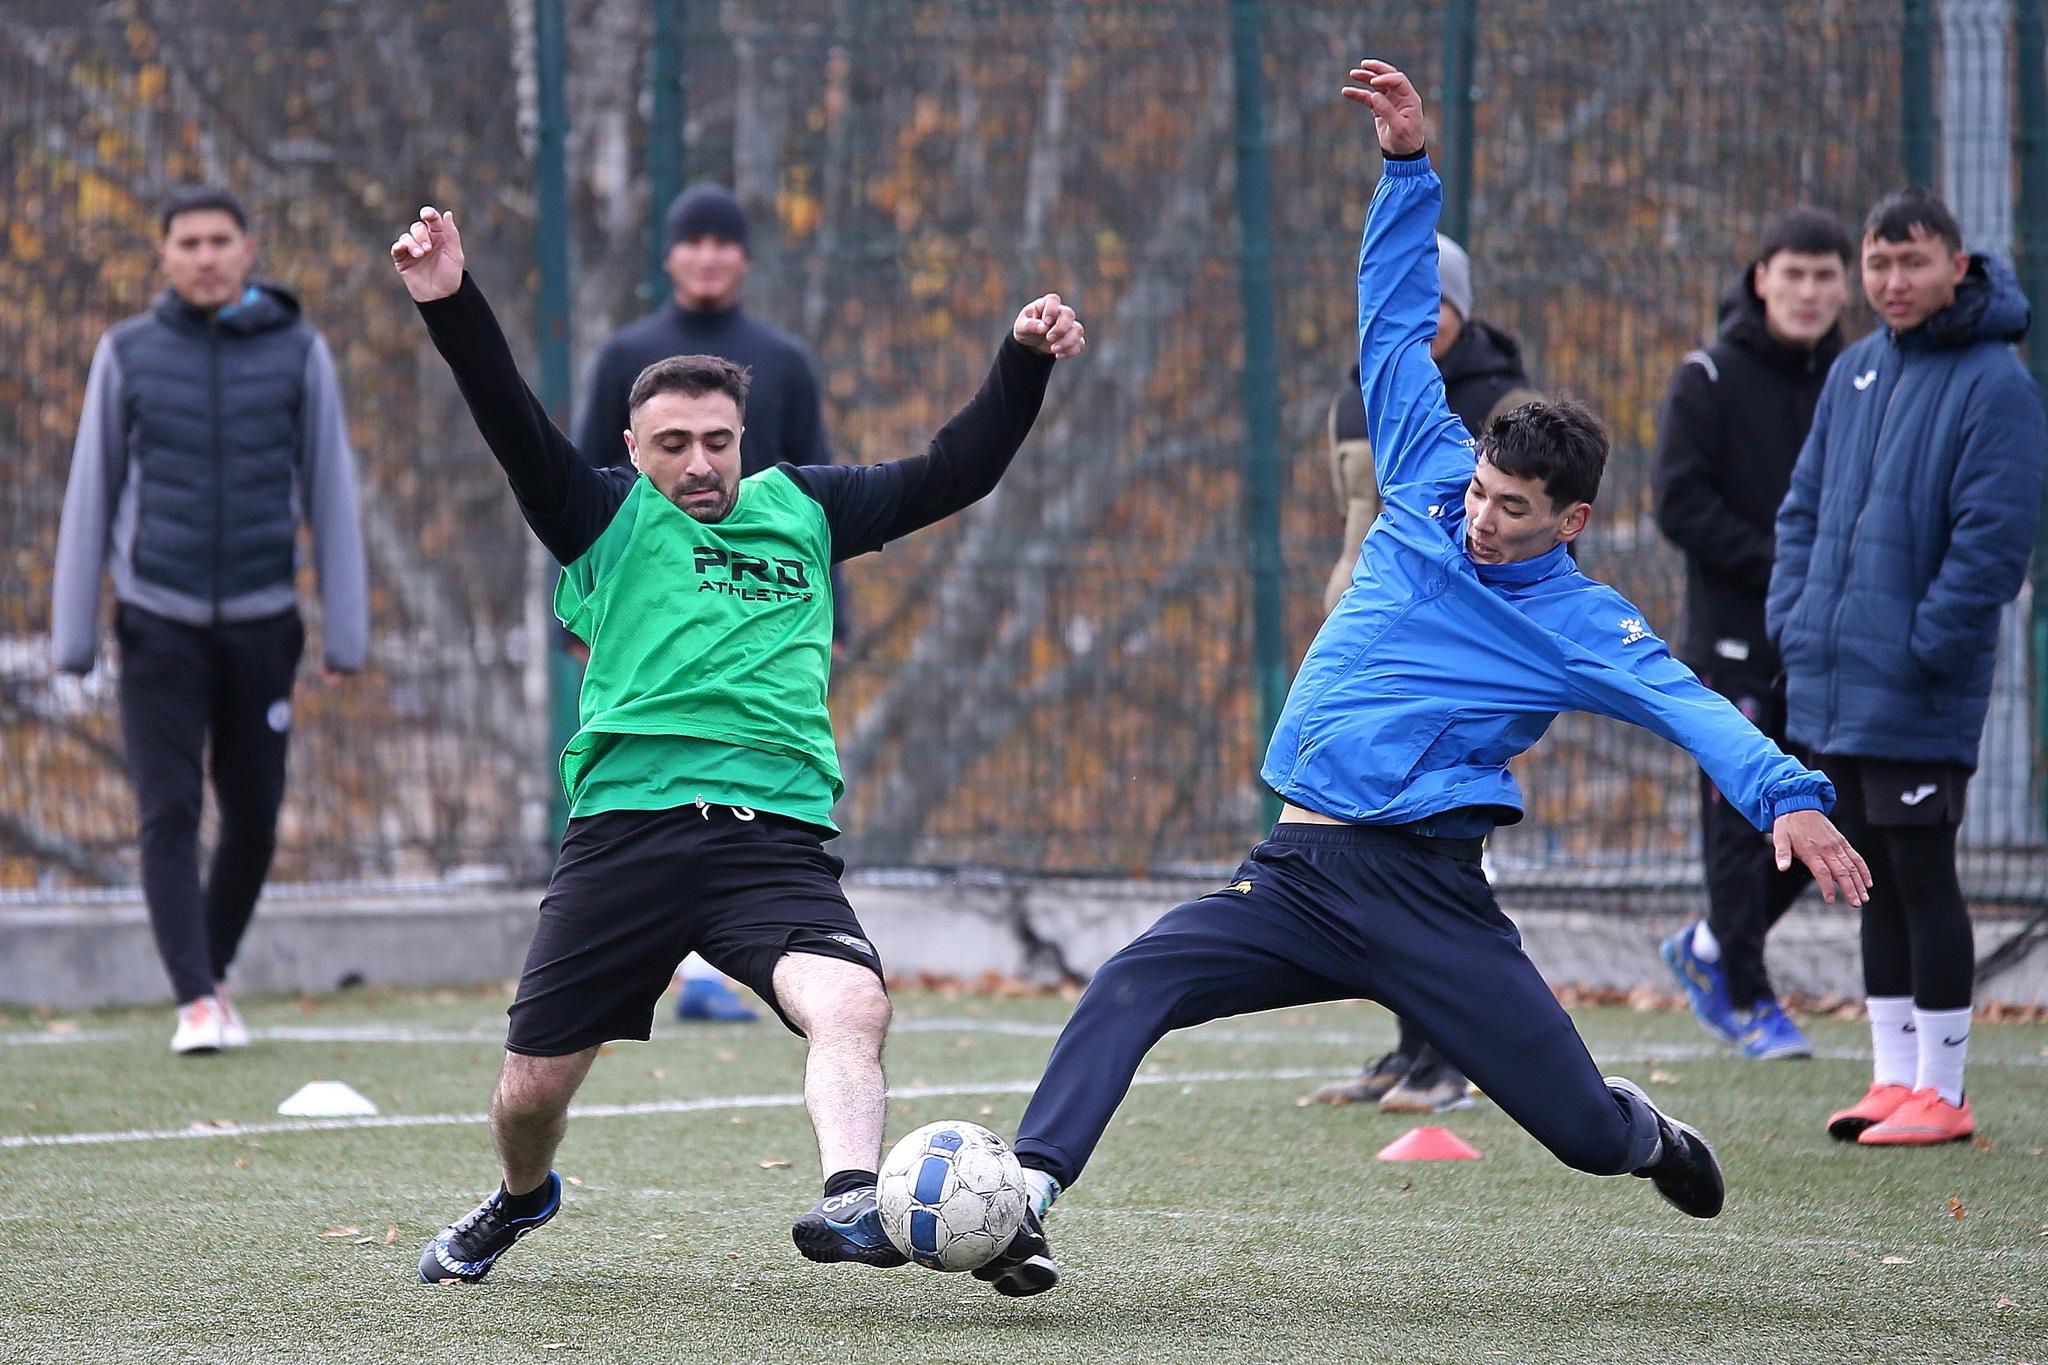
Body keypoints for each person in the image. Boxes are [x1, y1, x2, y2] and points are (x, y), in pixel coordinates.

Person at [970, 61, 1871, 1300]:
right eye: (1482, 494)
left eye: (1512, 512)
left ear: (1571, 521)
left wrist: (1788, 797)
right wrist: (1406, 172)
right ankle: (1021, 1198)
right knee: (1135, 978)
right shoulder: (1424, 472)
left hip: (1425, 898)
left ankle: (1641, 1131)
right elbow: (1389, 318)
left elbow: (1688, 705)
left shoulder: (1576, 624)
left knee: (1578, 1136)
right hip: (1293, 874)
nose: (1480, 522)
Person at [388, 203, 1083, 1284]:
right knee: (528, 1098)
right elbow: (509, 417)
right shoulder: (601, 517)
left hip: (772, 838)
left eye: (717, 441)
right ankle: (523, 1200)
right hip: (626, 834)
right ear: (632, 448)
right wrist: (449, 301)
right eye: (673, 444)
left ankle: (853, 1198)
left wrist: (1021, 362)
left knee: (852, 1001)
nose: (699, 463)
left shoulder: (801, 508)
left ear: (742, 440)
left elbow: (956, 470)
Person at [49, 185, 368, 1056]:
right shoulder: (128, 353)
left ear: (247, 247)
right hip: (158, 619)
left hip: (266, 622)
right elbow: (92, 488)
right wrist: (72, 637)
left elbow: (332, 489)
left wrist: (348, 631)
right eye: (187, 241)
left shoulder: (300, 353)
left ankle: (210, 974)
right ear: (164, 254)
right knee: (168, 809)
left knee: (257, 815)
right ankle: (195, 999)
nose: (204, 256)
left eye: (219, 239)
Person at [1769, 188, 2046, 1146]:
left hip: (1920, 682)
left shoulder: (1997, 384)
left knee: (1924, 873)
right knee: (1868, 874)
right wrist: (1795, 621)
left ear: (1956, 269)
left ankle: (1947, 1089)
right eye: (1879, 264)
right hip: (1838, 677)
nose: (1892, 281)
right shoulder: (1853, 372)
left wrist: (1930, 646)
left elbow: (1993, 543)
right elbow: (1802, 511)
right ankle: (1893, 1078)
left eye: (1912, 263)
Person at [576, 183, 841, 1024]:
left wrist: (828, 611)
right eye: (694, 242)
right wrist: (582, 617)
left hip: (761, 612)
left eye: (724, 242)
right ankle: (665, 963)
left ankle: (743, 948)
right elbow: (581, 489)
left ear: (745, 257)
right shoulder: (628, 352)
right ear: (669, 255)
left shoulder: (782, 359)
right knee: (652, 776)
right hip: (648, 616)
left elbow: (817, 488)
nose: (709, 257)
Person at [1311, 231, 1539, 1114]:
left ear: (1460, 305)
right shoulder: (1354, 394)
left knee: (1443, 861)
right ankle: (1409, 1047)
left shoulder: (1502, 403)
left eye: (1430, 299)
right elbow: (1356, 524)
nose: (1414, 316)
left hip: (1446, 658)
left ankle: (1457, 1051)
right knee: (1374, 862)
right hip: (1363, 651)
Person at [1652, 210, 1855, 1061]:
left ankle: (1706, 949)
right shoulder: (1707, 377)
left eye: (1825, 275)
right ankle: (1747, 994)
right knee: (1742, 826)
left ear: (1845, 285)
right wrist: (1787, 561)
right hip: (1733, 645)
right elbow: (1680, 505)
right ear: (1761, 275)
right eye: (1794, 274)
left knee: (1845, 809)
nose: (1809, 292)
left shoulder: (1861, 378)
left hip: (1832, 645)